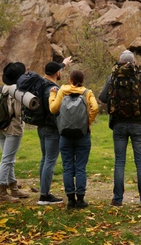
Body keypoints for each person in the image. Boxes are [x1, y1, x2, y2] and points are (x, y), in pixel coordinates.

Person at [99, 50, 141, 208]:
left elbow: (102, 97)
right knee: (140, 162)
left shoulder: (112, 76)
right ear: (133, 62)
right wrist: (140, 97)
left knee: (119, 162)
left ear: (119, 62)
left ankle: (117, 200)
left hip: (118, 123)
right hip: (138, 123)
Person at [49, 70, 99, 209]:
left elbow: (53, 109)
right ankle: (81, 199)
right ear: (82, 80)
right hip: (83, 135)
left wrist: (52, 95)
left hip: (65, 135)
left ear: (70, 80)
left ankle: (70, 199)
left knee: (67, 167)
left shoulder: (62, 91)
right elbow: (95, 108)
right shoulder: (87, 92)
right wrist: (86, 123)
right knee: (81, 167)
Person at [37, 57, 72, 205]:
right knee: (50, 160)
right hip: (52, 128)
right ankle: (44, 196)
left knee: (45, 159)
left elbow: (56, 68)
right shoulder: (53, 89)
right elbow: (59, 110)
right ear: (57, 73)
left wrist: (64, 63)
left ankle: (43, 191)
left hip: (41, 127)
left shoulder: (40, 83)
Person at [0, 62, 29, 203]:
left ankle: (13, 188)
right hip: (13, 128)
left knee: (8, 159)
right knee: (7, 160)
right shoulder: (17, 90)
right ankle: (2, 193)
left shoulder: (1, 88)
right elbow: (17, 112)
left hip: (0, 127)